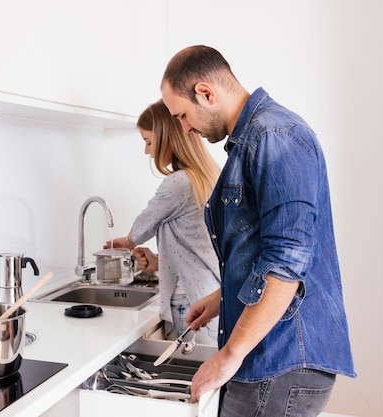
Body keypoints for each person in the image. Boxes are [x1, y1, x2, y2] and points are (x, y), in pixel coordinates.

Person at [160, 45, 356, 415]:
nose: (184, 127)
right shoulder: (252, 140)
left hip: (281, 356)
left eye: (183, 115)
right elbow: (264, 250)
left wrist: (228, 357)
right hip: (272, 353)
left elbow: (286, 264)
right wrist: (223, 298)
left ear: (206, 92)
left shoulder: (273, 136)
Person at [105, 99, 221, 345]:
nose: (147, 151)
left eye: (148, 142)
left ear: (167, 137)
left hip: (188, 301)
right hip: (210, 295)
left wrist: (124, 243)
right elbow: (199, 246)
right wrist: (159, 262)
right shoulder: (208, 175)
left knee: (182, 381)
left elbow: (140, 230)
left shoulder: (178, 182)